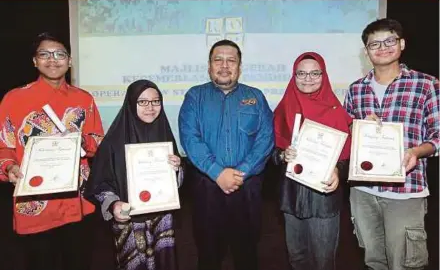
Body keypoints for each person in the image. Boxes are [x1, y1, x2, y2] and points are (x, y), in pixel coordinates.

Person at [0, 32, 104, 270]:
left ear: (69, 61)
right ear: (34, 61)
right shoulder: (14, 99)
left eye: (60, 54)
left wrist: (83, 144)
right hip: (36, 204)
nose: (53, 60)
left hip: (77, 203)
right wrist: (9, 167)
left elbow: (98, 140)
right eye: (44, 54)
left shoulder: (83, 99)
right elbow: (3, 146)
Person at [343, 18, 439, 270]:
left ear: (402, 43)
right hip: (363, 191)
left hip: (406, 190)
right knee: (373, 260)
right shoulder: (355, 90)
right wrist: (356, 128)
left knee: (405, 263)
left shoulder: (427, 84)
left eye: (389, 41)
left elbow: (438, 135)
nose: (382, 47)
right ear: (366, 51)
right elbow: (347, 132)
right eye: (374, 43)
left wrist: (416, 152)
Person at [178, 39, 274, 270]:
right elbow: (190, 138)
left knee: (247, 253)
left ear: (240, 67)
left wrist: (241, 172)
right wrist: (217, 173)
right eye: (217, 60)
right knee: (208, 253)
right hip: (207, 187)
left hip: (247, 186)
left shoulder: (256, 97)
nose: (224, 65)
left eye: (231, 60)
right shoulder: (194, 97)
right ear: (209, 66)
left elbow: (265, 139)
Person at [85, 79, 183, 270]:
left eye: (156, 101)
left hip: (161, 219)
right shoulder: (112, 142)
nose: (150, 107)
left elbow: (176, 182)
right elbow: (100, 183)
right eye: (143, 102)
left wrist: (178, 168)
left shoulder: (164, 135)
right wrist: (113, 204)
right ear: (131, 103)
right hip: (129, 220)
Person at [273, 52, 352, 270]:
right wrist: (282, 155)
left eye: (315, 73)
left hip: (324, 198)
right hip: (291, 196)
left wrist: (337, 169)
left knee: (323, 261)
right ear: (294, 75)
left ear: (323, 75)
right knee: (296, 258)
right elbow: (271, 153)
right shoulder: (283, 108)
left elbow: (348, 156)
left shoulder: (336, 111)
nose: (308, 78)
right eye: (302, 73)